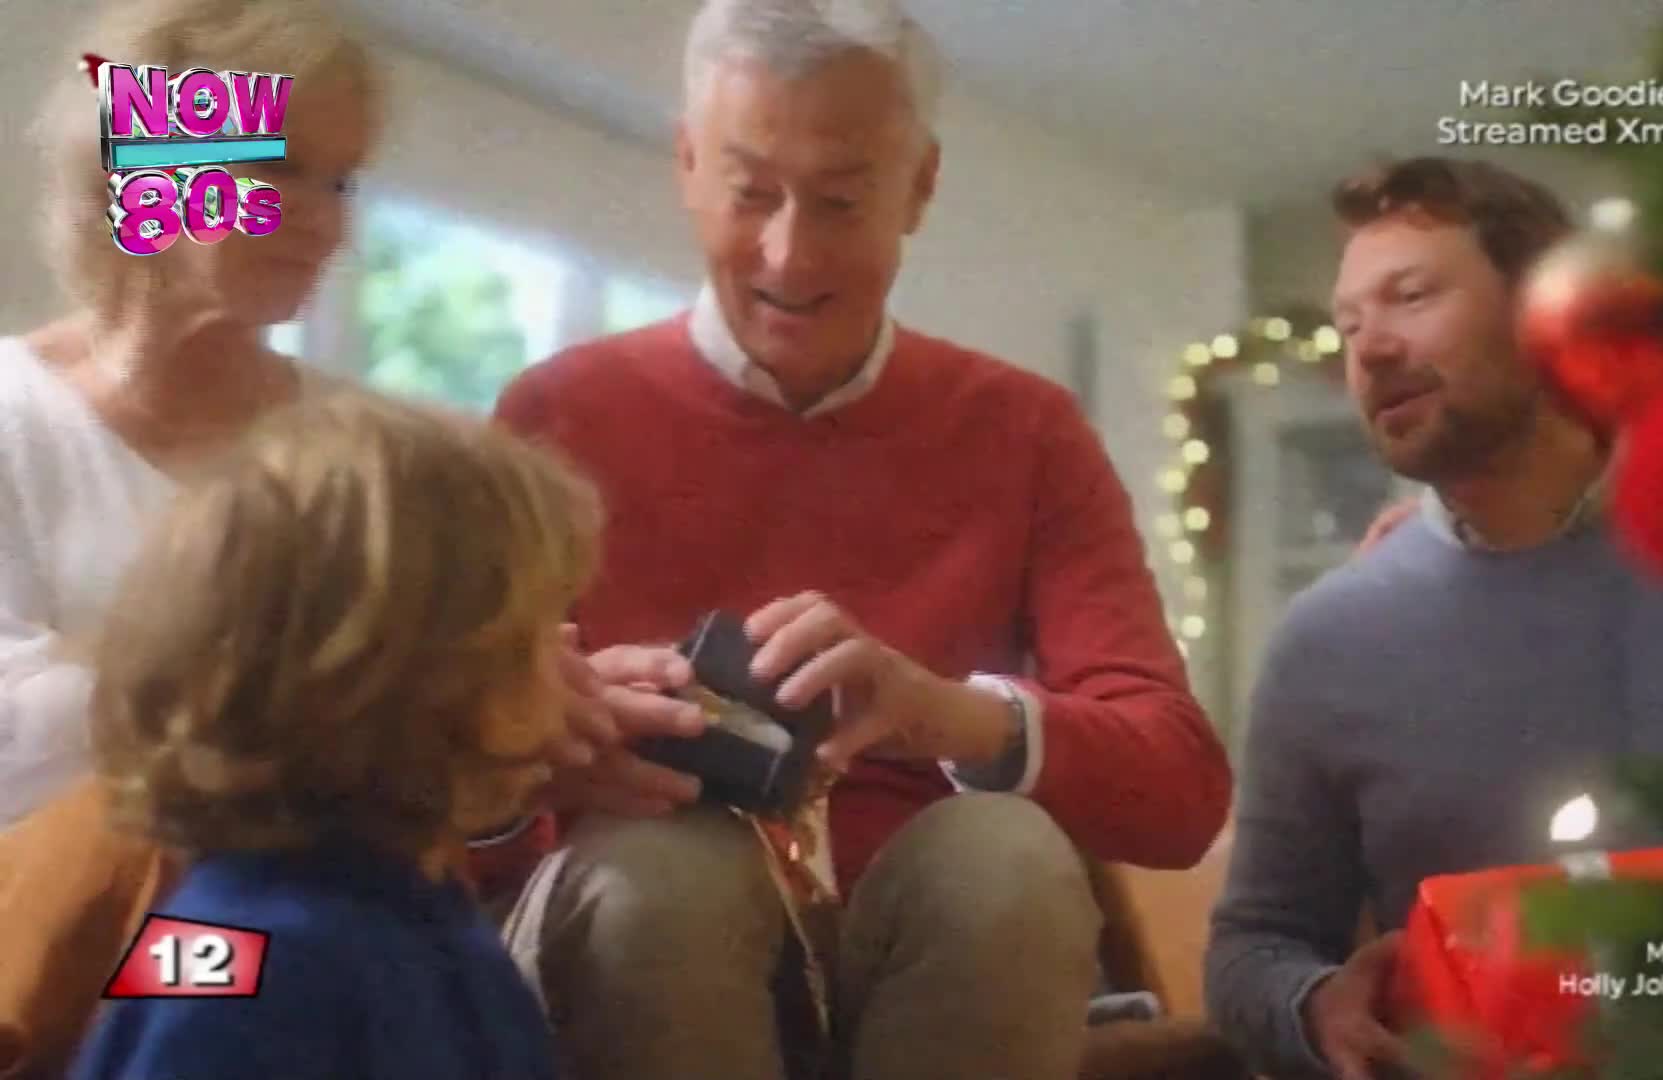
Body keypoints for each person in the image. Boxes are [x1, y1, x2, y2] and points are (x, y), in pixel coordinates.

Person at [484, 1, 1234, 1077]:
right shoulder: (550, 418)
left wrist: (944, 712)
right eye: (751, 193)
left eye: (840, 200)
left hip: (934, 942)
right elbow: (425, 807)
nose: (790, 255)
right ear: (688, 165)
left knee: (1003, 855)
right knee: (661, 870)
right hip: (644, 924)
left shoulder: (1027, 433)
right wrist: (537, 744)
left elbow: (1180, 792)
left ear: (920, 187)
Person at [1204, 157, 1663, 1080]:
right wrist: (1313, 1006)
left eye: (1411, 296)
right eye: (1349, 326)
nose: (1369, 350)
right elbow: (1254, 945)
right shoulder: (1329, 639)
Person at [67, 393, 597, 1080]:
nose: (567, 652)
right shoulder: (236, 954)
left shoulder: (423, 915)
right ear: (414, 674)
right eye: (535, 632)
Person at [0, 0, 379, 827]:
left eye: (340, 181)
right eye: (274, 166)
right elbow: (13, 753)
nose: (325, 223)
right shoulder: (14, 413)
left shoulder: (366, 447)